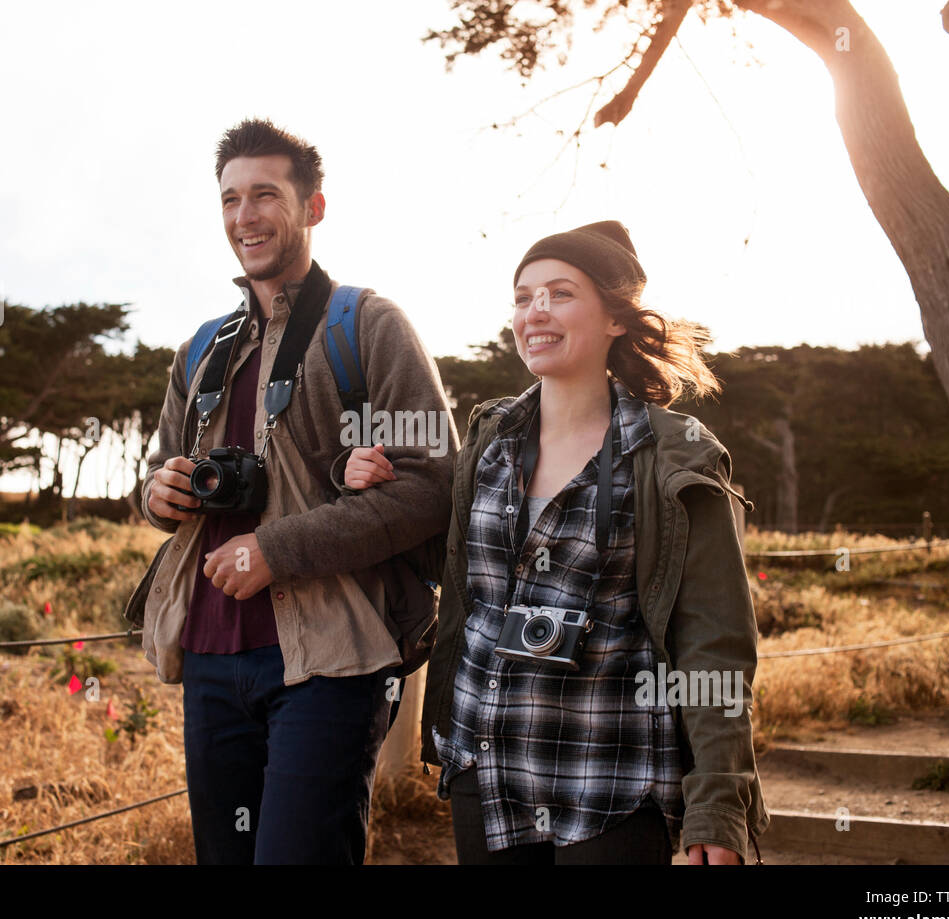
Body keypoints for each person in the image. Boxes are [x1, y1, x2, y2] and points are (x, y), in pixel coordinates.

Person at [345, 221, 769, 864]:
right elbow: (454, 573)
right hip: (483, 769)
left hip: (612, 777)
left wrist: (716, 804)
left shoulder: (672, 458)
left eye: (560, 293)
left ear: (616, 319)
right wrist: (369, 486)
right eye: (523, 296)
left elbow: (714, 643)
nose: (534, 311)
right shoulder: (488, 443)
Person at [137, 118, 457, 865]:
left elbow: (432, 486)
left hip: (330, 660)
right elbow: (154, 474)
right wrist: (159, 495)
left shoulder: (368, 326)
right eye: (229, 199)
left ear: (313, 207)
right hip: (211, 654)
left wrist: (277, 548)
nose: (244, 216)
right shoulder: (200, 348)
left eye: (265, 195)